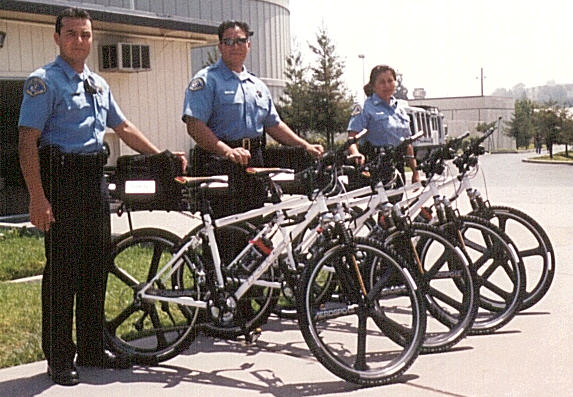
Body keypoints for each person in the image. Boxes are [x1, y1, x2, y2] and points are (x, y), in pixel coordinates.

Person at [18, 8, 186, 386]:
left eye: (87, 34)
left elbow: (122, 126)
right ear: (57, 37)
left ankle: (93, 347)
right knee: (63, 272)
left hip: (94, 180)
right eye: (73, 33)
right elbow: (27, 141)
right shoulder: (43, 82)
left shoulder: (98, 84)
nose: (81, 40)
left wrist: (159, 155)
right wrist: (37, 198)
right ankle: (59, 357)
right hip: (61, 183)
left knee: (95, 267)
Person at [182, 20, 323, 218]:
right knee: (227, 232)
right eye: (228, 41)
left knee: (254, 228)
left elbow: (274, 124)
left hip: (254, 162)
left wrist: (305, 145)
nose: (235, 46)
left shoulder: (256, 85)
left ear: (249, 44)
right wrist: (227, 151)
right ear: (220, 46)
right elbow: (195, 125)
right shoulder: (207, 80)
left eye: (240, 41)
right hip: (220, 162)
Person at [347, 64, 420, 186]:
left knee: (397, 203)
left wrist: (415, 172)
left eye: (390, 81)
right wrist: (355, 153)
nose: (387, 85)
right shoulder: (365, 107)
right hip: (375, 166)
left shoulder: (400, 109)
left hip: (397, 165)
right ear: (373, 86)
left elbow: (408, 144)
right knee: (379, 204)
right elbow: (352, 136)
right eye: (382, 82)